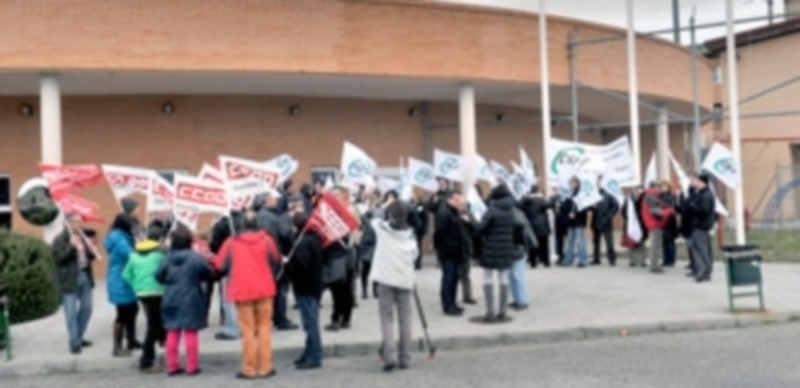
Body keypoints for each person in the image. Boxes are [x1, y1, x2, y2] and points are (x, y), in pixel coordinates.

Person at [213, 211, 281, 379]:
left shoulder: (231, 242)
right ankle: (265, 367)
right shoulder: (267, 240)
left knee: (248, 330)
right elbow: (277, 260)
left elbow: (219, 264)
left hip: (242, 289)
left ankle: (249, 368)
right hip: (264, 288)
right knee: (264, 328)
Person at [156, 225, 212, 376]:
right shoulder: (195, 257)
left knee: (172, 331)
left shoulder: (167, 258)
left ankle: (172, 366)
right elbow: (207, 273)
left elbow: (158, 276)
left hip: (171, 295)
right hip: (191, 296)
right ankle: (192, 366)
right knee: (190, 332)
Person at [369, 201, 418, 372]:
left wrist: (385, 208)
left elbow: (373, 216)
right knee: (405, 319)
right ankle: (405, 357)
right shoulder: (410, 235)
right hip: (404, 280)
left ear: (390, 215)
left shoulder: (382, 229)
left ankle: (390, 355)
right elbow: (414, 255)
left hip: (386, 279)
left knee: (386, 318)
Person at [122, 224, 167, 373]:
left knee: (154, 322)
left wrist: (137, 285)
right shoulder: (160, 255)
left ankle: (162, 343)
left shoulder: (134, 255)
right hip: (157, 292)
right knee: (153, 326)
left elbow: (126, 275)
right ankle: (146, 361)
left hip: (141, 293)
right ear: (160, 239)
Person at [52, 213, 97, 354]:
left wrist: (92, 252)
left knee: (87, 308)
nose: (79, 225)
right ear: (69, 224)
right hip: (70, 279)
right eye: (76, 222)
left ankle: (78, 335)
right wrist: (71, 246)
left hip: (84, 275)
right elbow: (59, 259)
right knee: (70, 312)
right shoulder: (60, 240)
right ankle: (74, 342)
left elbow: (87, 258)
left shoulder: (82, 238)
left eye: (80, 222)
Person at [474, 185, 520, 322]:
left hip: (491, 247)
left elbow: (480, 228)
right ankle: (503, 311)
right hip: (506, 247)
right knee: (504, 278)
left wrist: (472, 221)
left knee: (487, 278)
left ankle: (490, 312)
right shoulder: (512, 209)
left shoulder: (492, 210)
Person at [285, 213, 324, 370]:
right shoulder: (313, 239)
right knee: (310, 321)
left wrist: (287, 265)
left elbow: (302, 268)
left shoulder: (303, 243)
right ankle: (309, 352)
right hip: (313, 285)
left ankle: (314, 355)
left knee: (310, 323)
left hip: (306, 287)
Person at [257, 192, 297, 331]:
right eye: (275, 199)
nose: (278, 201)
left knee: (276, 289)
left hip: (269, 257)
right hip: (275, 258)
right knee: (280, 289)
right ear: (266, 200)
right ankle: (280, 319)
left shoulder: (264, 215)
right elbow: (279, 236)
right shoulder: (269, 217)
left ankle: (275, 317)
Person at [104, 211, 141, 357]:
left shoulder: (121, 236)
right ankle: (117, 347)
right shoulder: (120, 239)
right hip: (120, 279)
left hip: (125, 278)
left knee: (133, 309)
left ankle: (131, 340)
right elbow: (131, 254)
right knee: (122, 313)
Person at [324, 187, 360, 331]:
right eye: (332, 195)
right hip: (346, 251)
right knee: (344, 289)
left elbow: (356, 228)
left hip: (343, 252)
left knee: (341, 289)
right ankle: (345, 318)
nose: (334, 197)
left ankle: (338, 319)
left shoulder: (344, 210)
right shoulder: (341, 209)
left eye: (336, 194)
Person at [434, 192, 472, 316]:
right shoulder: (444, 213)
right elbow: (439, 233)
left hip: (456, 251)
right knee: (448, 279)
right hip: (448, 251)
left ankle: (453, 303)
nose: (459, 201)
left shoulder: (454, 212)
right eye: (456, 199)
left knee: (455, 278)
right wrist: (440, 248)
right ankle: (447, 305)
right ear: (450, 200)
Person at [209, 212, 243, 341]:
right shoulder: (243, 220)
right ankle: (242, 326)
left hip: (228, 264)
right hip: (244, 263)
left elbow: (214, 245)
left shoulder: (222, 224)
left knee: (228, 299)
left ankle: (231, 328)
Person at [641, 181, 674, 274]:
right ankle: (654, 266)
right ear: (654, 187)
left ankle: (654, 264)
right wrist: (668, 212)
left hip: (652, 223)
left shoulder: (649, 196)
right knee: (655, 246)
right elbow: (656, 212)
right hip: (655, 224)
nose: (660, 189)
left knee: (655, 245)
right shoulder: (651, 197)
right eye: (658, 187)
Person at [688, 173, 716, 282]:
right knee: (698, 248)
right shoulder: (702, 194)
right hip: (699, 225)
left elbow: (704, 211)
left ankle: (704, 270)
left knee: (701, 249)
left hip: (701, 226)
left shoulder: (706, 195)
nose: (696, 183)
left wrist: (693, 206)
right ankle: (704, 270)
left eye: (698, 181)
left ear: (703, 182)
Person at [509, 200, 535, 310]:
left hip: (518, 247)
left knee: (517, 275)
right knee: (513, 275)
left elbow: (522, 232)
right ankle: (517, 299)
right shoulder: (517, 213)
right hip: (517, 247)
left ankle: (522, 300)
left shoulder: (515, 215)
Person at [520, 185, 554, 268]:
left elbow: (520, 207)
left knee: (532, 245)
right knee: (544, 244)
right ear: (538, 191)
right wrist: (552, 198)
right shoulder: (540, 199)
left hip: (531, 225)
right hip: (542, 225)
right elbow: (549, 205)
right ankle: (546, 262)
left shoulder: (526, 200)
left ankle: (533, 262)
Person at [591, 177, 620, 266]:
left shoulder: (607, 195)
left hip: (606, 221)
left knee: (609, 241)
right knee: (596, 241)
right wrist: (592, 206)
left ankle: (612, 259)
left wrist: (609, 215)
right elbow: (589, 207)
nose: (598, 184)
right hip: (596, 220)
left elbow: (615, 205)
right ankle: (596, 258)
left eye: (599, 182)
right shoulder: (593, 195)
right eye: (596, 183)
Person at [561, 177, 589, 268]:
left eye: (572, 183)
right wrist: (562, 205)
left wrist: (575, 213)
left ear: (576, 183)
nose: (571, 185)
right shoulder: (570, 194)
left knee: (580, 242)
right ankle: (568, 259)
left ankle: (583, 260)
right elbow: (568, 205)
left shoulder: (581, 194)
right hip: (571, 221)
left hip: (579, 221)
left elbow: (582, 207)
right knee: (570, 241)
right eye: (570, 184)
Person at [623, 186, 649, 267]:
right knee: (632, 242)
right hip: (631, 224)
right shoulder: (629, 200)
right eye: (636, 190)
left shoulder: (644, 199)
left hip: (641, 224)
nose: (637, 192)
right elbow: (623, 211)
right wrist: (629, 219)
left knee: (642, 242)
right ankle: (632, 260)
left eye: (639, 190)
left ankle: (642, 260)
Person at [660, 181, 679, 268]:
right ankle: (665, 259)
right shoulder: (659, 196)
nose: (663, 188)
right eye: (662, 187)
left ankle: (671, 260)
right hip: (662, 221)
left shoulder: (672, 196)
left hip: (670, 222)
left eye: (665, 187)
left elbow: (673, 207)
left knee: (670, 242)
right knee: (664, 242)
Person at [412, 194, 430, 270]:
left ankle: (418, 263)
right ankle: (413, 262)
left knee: (418, 246)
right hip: (411, 229)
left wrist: (425, 229)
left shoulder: (422, 205)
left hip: (419, 229)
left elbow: (426, 218)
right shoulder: (411, 204)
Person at [553, 188, 571, 265]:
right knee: (559, 240)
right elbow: (552, 206)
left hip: (566, 221)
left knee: (568, 240)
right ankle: (560, 256)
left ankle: (569, 256)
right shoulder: (557, 198)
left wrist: (560, 206)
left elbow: (568, 207)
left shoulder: (568, 198)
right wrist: (555, 208)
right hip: (558, 222)